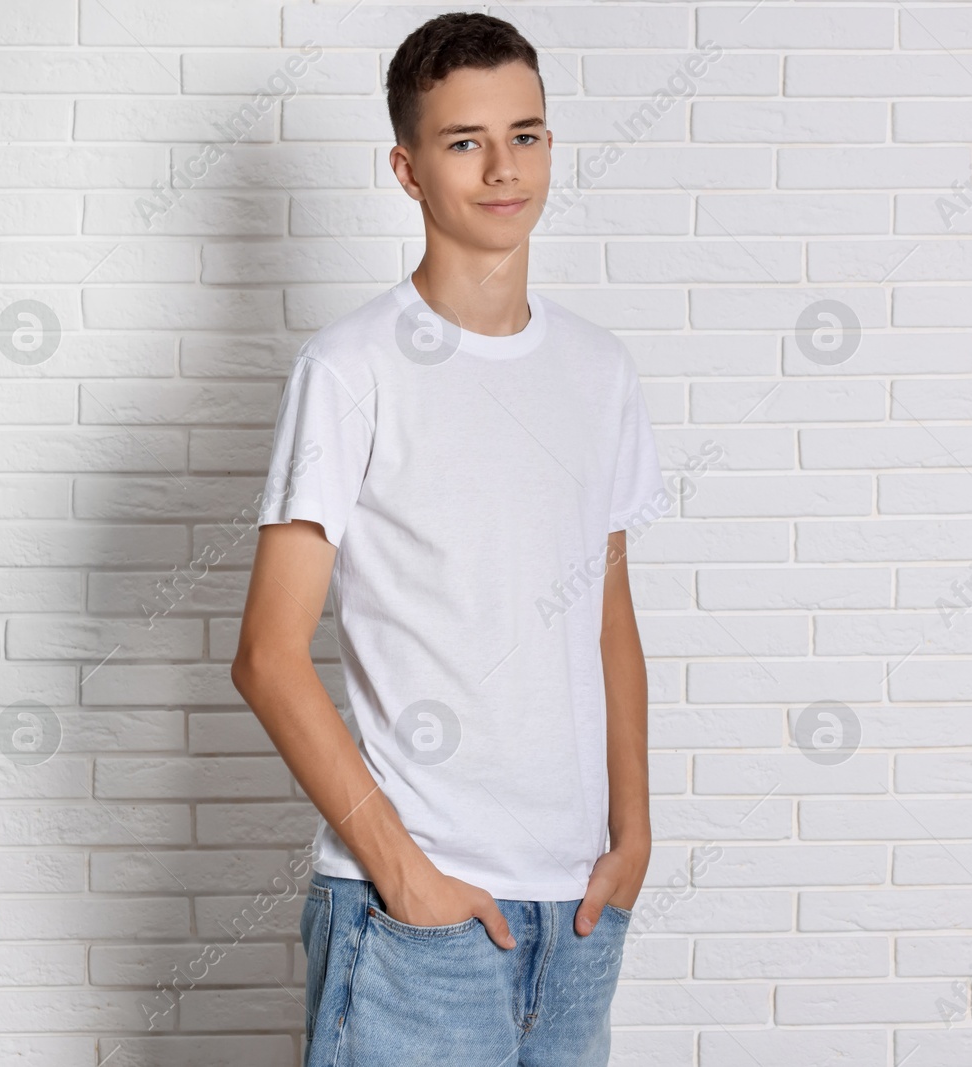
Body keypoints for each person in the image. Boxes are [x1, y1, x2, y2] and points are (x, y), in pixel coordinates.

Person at [230, 12, 669, 1067]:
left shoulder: (599, 371)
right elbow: (267, 654)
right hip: (409, 921)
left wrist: (634, 834)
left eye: (525, 134)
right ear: (407, 168)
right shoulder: (351, 369)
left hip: (574, 916)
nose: (502, 167)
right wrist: (403, 871)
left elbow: (608, 618)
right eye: (464, 141)